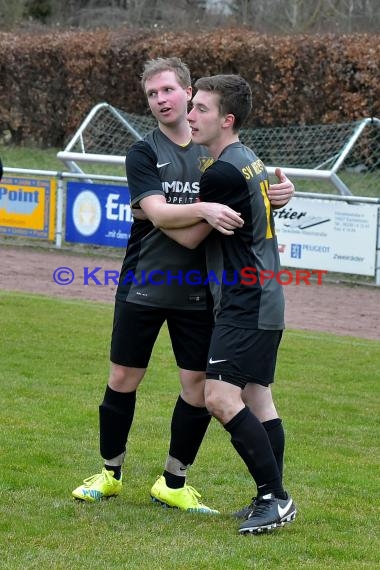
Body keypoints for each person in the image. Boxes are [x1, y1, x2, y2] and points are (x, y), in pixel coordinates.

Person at [72, 58, 295, 515]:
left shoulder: (216, 151)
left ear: (189, 93)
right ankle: (110, 473)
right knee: (122, 378)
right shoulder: (143, 152)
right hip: (145, 283)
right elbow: (157, 210)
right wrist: (199, 211)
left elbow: (240, 194)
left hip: (202, 292)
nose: (162, 101)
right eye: (152, 94)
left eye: (169, 91)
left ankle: (175, 481)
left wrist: (278, 195)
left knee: (198, 388)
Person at [155, 73, 297, 533]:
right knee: (258, 399)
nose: (191, 116)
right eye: (191, 106)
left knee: (219, 397)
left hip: (246, 299)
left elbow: (193, 237)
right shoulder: (246, 159)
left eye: (201, 109)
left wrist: (152, 211)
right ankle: (269, 496)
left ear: (227, 119)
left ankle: (275, 498)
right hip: (264, 296)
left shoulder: (221, 171)